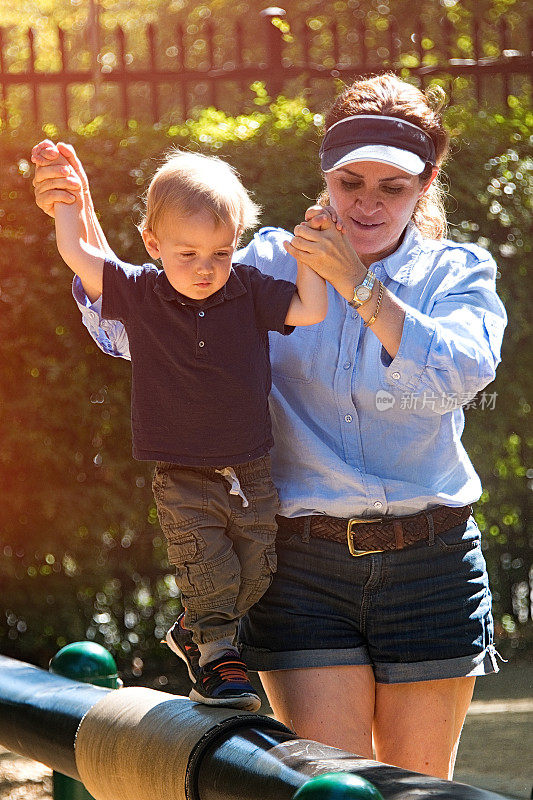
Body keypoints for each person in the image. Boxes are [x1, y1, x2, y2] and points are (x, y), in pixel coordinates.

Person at [32, 72, 507, 780]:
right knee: (333, 788)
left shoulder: (457, 270)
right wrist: (80, 220)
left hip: (430, 568)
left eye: (392, 187)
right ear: (325, 175)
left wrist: (359, 286)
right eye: (351, 182)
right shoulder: (257, 264)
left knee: (418, 791)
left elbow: (459, 375)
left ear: (424, 183)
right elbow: (145, 325)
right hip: (300, 566)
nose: (368, 203)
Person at [39, 146, 327, 712]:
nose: (205, 269)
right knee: (210, 569)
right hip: (182, 472)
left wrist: (313, 259)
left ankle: (194, 630)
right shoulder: (141, 291)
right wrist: (70, 203)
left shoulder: (246, 288)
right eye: (188, 252)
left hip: (251, 466)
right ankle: (219, 659)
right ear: (153, 244)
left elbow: (310, 310)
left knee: (259, 569)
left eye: (221, 252)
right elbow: (76, 251)